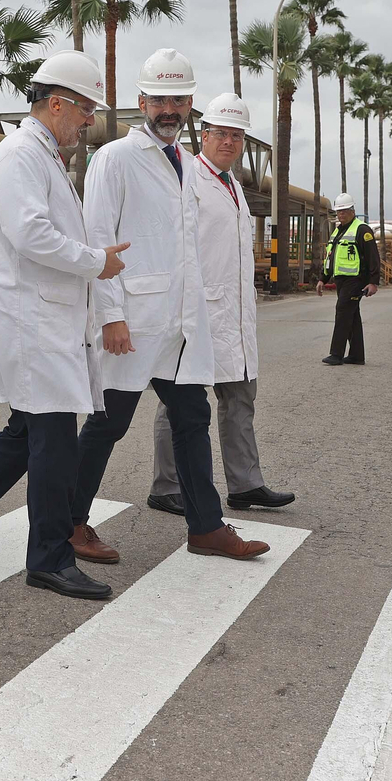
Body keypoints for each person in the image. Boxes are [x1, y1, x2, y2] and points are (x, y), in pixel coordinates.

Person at [0, 50, 130, 600]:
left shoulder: (43, 156)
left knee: (27, 433)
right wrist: (95, 261)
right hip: (33, 321)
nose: (88, 120)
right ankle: (49, 559)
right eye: (84, 108)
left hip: (45, 319)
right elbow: (32, 235)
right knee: (53, 444)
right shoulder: (19, 156)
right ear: (56, 103)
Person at [72, 49, 270, 563]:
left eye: (178, 99)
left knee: (190, 417)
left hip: (179, 325)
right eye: (159, 98)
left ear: (190, 107)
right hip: (133, 320)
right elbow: (99, 239)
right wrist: (111, 315)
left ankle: (205, 527)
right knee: (108, 424)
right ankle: (70, 521)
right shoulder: (114, 158)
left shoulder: (183, 162)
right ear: (141, 102)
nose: (168, 108)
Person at [148, 93, 294, 514]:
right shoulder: (188, 178)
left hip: (235, 313)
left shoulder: (232, 185)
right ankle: (166, 486)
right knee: (179, 401)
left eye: (236, 136)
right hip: (198, 312)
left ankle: (246, 484)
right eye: (221, 134)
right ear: (205, 135)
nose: (228, 142)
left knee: (240, 398)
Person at [318, 192, 378, 365]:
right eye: (339, 211)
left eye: (344, 210)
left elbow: (373, 257)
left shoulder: (362, 230)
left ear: (352, 210)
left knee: (343, 313)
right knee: (352, 316)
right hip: (341, 281)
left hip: (356, 280)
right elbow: (331, 256)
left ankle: (336, 354)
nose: (341, 214)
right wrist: (323, 278)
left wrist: (373, 282)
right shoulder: (338, 231)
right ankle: (357, 356)